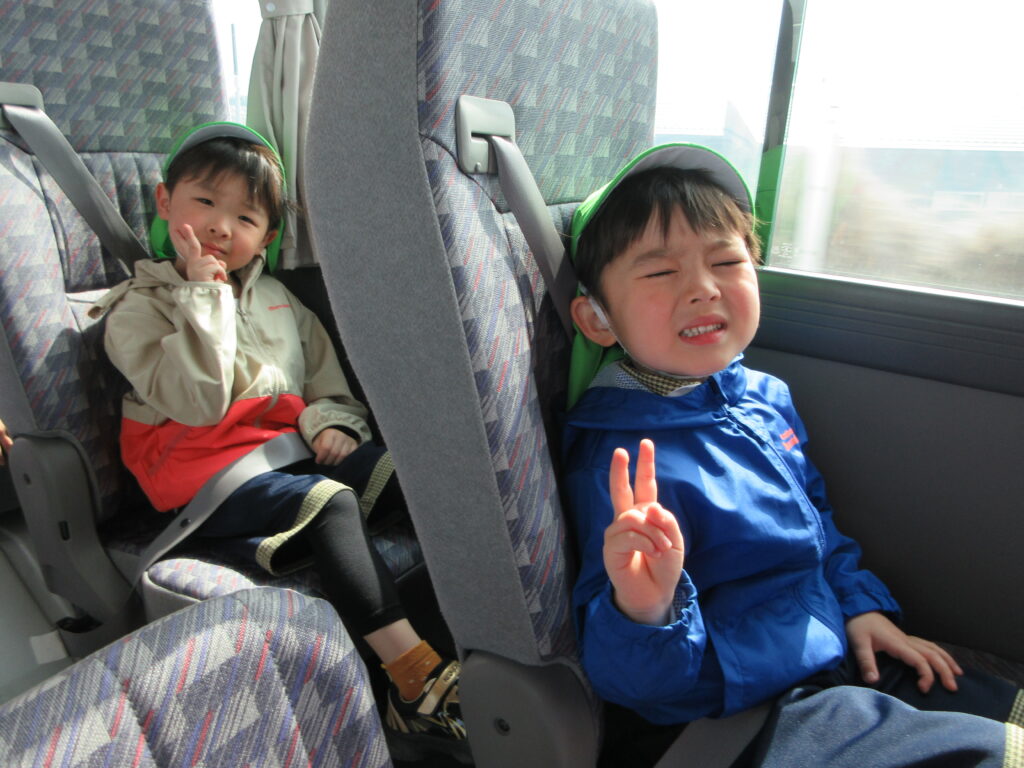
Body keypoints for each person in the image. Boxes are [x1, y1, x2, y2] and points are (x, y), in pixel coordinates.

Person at [562, 143, 1023, 767]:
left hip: (832, 650)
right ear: (597, 320)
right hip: (744, 711)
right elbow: (637, 687)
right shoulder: (620, 468)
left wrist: (857, 606)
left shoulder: (761, 397)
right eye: (660, 272)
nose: (703, 288)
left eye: (727, 260)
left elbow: (816, 520)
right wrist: (645, 610)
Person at [89, 122, 468, 763]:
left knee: (407, 471)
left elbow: (325, 385)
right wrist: (204, 294)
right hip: (197, 473)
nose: (220, 226)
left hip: (283, 455)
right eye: (204, 202)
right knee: (329, 504)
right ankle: (415, 685)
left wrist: (332, 425)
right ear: (165, 201)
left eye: (245, 217)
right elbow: (200, 400)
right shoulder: (137, 307)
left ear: (266, 236)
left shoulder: (279, 301)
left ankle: (471, 631)